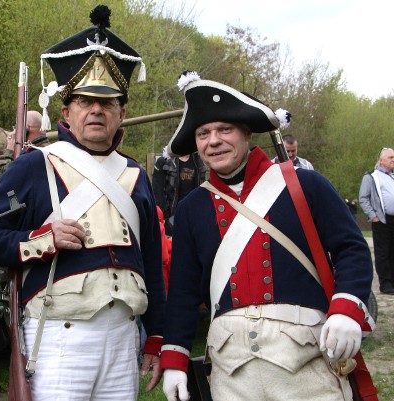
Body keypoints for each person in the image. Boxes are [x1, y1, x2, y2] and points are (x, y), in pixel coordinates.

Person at [0, 6, 165, 400]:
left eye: (107, 103)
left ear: (121, 113)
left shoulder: (135, 175)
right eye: (85, 101)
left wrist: (156, 336)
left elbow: (152, 262)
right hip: (60, 335)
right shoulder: (34, 165)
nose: (97, 110)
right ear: (67, 111)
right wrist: (42, 240)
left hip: (124, 335)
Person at [160, 72, 374, 401]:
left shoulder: (305, 185)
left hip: (306, 362)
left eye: (224, 129)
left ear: (247, 132)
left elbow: (352, 250)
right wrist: (174, 357)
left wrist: (346, 308)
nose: (213, 141)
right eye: (203, 133)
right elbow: (183, 291)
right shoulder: (191, 208)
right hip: (231, 368)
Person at [359, 147, 394, 294]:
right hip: (382, 221)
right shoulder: (371, 177)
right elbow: (363, 198)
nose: (393, 160)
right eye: (390, 158)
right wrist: (374, 216)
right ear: (381, 161)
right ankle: (385, 284)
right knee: (383, 253)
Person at [152, 146, 206, 235]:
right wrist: (165, 214)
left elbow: (201, 188)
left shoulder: (198, 161)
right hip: (171, 214)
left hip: (192, 214)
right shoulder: (165, 161)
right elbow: (157, 189)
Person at [0, 110, 51, 183]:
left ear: (27, 127)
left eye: (17, 127)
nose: (15, 131)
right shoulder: (51, 150)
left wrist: (9, 151)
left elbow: (1, 180)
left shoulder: (30, 155)